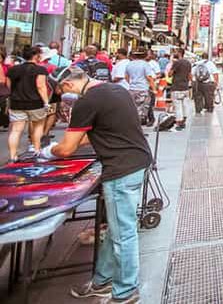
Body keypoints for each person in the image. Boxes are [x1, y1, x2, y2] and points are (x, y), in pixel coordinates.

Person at [41, 67, 152, 303]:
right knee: (117, 229)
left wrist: (49, 151)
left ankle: (125, 291)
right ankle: (102, 281)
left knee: (123, 233)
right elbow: (91, 134)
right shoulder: (117, 90)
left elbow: (68, 148)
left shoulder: (85, 103)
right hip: (138, 161)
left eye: (61, 91)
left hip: (120, 169)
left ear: (68, 86)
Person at [6, 45, 50, 161]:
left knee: (16, 130)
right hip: (35, 103)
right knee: (38, 127)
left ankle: (13, 156)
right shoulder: (40, 70)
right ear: (36, 56)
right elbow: (41, 86)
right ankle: (36, 150)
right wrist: (46, 102)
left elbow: (9, 86)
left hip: (16, 103)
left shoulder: (12, 70)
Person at [125, 49, 155, 125]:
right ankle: (138, 128)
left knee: (133, 108)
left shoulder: (129, 64)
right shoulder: (145, 64)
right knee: (142, 110)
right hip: (143, 88)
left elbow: (126, 77)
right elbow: (149, 77)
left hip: (132, 89)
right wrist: (154, 88)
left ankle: (133, 126)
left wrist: (131, 83)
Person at [167, 48, 192, 129]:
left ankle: (179, 123)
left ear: (179, 53)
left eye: (176, 52)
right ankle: (184, 121)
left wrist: (171, 64)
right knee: (185, 105)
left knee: (178, 106)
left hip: (176, 87)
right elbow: (189, 75)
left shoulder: (176, 63)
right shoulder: (188, 63)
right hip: (185, 87)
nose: (175, 53)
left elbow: (170, 74)